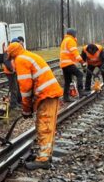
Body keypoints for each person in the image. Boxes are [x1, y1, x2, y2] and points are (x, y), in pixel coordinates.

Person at [7, 42, 63, 170]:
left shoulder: (20, 60)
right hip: (47, 94)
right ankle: (46, 155)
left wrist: (26, 109)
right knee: (46, 124)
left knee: (45, 125)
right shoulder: (28, 55)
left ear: (12, 55)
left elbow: (25, 88)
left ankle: (43, 159)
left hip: (46, 94)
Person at [59, 28, 86, 101]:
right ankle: (81, 92)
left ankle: (65, 97)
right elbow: (75, 53)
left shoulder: (64, 40)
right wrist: (82, 62)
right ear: (73, 34)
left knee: (67, 81)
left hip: (63, 64)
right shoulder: (71, 40)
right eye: (75, 34)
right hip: (68, 63)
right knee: (80, 75)